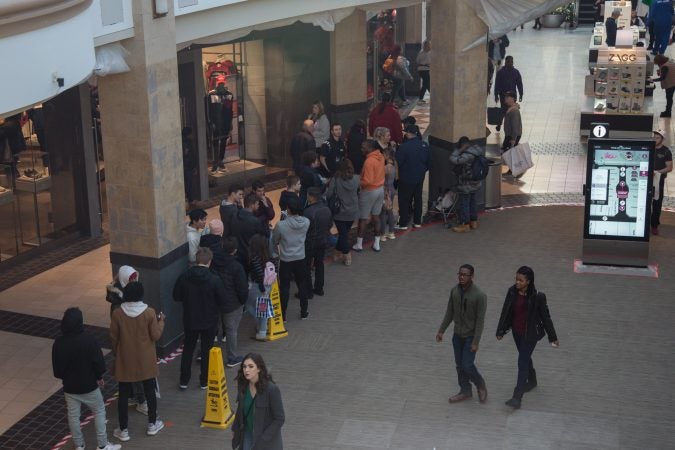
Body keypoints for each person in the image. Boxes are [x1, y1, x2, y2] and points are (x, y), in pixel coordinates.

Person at [52, 308, 121, 450]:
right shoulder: (89, 340)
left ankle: (79, 445)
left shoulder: (58, 343)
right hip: (89, 385)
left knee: (73, 416)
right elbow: (99, 363)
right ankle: (102, 445)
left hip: (70, 388)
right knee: (99, 411)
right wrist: (99, 377)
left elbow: (57, 371)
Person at [496, 266, 559, 409]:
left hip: (530, 335)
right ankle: (532, 380)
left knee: (522, 361)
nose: (517, 282)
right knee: (525, 356)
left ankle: (517, 397)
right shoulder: (512, 292)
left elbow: (546, 318)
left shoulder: (538, 297)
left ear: (528, 281)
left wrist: (553, 337)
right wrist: (501, 331)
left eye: (521, 280)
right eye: (516, 279)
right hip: (516, 332)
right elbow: (505, 311)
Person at [111, 281, 165, 441]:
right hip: (146, 359)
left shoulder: (117, 313)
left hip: (125, 359)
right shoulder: (149, 313)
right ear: (141, 294)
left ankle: (123, 430)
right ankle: (152, 424)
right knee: (150, 391)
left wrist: (117, 353)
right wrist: (161, 321)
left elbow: (113, 338)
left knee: (123, 394)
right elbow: (155, 335)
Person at [173, 247, 227, 389]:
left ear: (196, 260)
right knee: (206, 350)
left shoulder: (184, 276)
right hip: (209, 320)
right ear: (209, 261)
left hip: (190, 319)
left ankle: (184, 380)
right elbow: (223, 300)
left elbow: (176, 296)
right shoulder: (214, 279)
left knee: (188, 349)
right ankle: (204, 381)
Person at [435, 264, 488, 404]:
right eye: (460, 274)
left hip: (470, 336)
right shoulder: (454, 291)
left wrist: (476, 341)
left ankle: (480, 384)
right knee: (459, 365)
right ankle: (465, 390)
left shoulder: (479, 296)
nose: (461, 277)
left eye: (465, 275)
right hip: (457, 336)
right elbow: (449, 312)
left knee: (467, 365)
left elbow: (480, 320)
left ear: (472, 276)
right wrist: (441, 330)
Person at [105, 266, 147, 415]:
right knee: (136, 374)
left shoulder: (121, 297)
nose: (135, 281)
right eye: (132, 279)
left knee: (129, 374)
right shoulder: (119, 305)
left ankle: (131, 397)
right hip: (128, 344)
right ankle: (141, 401)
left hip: (125, 344)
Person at [231, 353, 285, 450]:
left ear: (259, 369)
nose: (246, 370)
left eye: (251, 366)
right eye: (244, 366)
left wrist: (264, 439)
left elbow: (279, 418)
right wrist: (235, 430)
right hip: (248, 436)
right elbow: (240, 410)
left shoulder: (271, 389)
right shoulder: (243, 385)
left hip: (266, 441)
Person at [272, 196, 311, 320]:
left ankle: (283, 315)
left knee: (284, 288)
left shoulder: (281, 225)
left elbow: (275, 240)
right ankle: (304, 311)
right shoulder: (306, 222)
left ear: (288, 209)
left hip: (286, 260)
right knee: (302, 284)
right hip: (300, 258)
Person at [213, 238, 249, 367]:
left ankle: (209, 354)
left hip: (216, 301)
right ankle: (232, 357)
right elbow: (242, 288)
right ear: (234, 251)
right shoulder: (236, 266)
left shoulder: (213, 261)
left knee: (214, 329)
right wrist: (242, 302)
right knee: (231, 330)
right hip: (232, 303)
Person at [353, 139, 385, 252]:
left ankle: (359, 244)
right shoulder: (381, 156)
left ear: (370, 148)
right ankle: (377, 244)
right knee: (376, 217)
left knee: (363, 218)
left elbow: (368, 181)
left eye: (363, 147)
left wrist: (358, 182)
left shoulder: (369, 161)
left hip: (369, 191)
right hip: (380, 190)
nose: (362, 149)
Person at [326, 159, 360, 266]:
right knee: (344, 233)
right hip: (353, 210)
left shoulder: (335, 179)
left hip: (340, 211)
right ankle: (337, 251)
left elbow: (329, 195)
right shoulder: (356, 178)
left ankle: (347, 253)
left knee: (343, 234)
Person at [396, 124, 429, 230]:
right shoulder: (424, 145)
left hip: (406, 178)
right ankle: (417, 221)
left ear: (409, 133)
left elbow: (398, 163)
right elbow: (428, 162)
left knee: (404, 200)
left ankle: (403, 224)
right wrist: (422, 171)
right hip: (419, 177)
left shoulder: (404, 147)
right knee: (418, 199)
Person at [449, 137, 483, 233]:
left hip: (466, 184)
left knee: (464, 203)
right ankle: (474, 222)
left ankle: (464, 224)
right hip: (476, 182)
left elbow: (453, 159)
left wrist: (459, 150)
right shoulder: (478, 150)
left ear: (463, 145)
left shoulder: (467, 155)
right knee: (472, 201)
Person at [303, 187, 333, 296]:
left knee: (306, 266)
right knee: (319, 264)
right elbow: (330, 225)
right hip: (323, 241)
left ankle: (308, 290)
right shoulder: (327, 209)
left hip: (310, 243)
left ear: (311, 197)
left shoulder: (308, 212)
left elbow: (304, 230)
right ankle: (319, 288)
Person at [246, 235, 275, 341]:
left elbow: (258, 274)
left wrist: (262, 288)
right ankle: (262, 332)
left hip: (257, 287)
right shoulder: (268, 257)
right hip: (268, 286)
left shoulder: (254, 259)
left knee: (248, 305)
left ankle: (259, 323)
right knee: (263, 309)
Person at [230, 192, 270, 266]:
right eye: (257, 204)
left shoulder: (235, 216)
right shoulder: (254, 221)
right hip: (250, 256)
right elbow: (266, 235)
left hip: (238, 253)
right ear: (252, 205)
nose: (258, 206)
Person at [651, 129, 673, 235]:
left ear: (662, 139)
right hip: (647, 179)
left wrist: (657, 172)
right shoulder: (650, 148)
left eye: (658, 137)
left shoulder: (666, 151)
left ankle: (654, 225)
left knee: (657, 203)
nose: (655, 139)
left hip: (659, 181)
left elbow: (669, 167)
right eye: (654, 136)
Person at [494, 56, 523, 131]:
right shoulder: (500, 72)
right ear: (506, 62)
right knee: (503, 110)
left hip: (513, 97)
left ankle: (510, 125)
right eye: (509, 61)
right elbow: (497, 84)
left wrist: (521, 94)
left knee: (512, 111)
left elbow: (519, 84)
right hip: (503, 96)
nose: (510, 63)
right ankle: (499, 124)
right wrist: (496, 95)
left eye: (511, 61)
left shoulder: (516, 72)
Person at [379, 148, 397, 241]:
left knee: (383, 213)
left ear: (387, 155)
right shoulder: (394, 166)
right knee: (390, 211)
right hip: (392, 189)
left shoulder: (386, 168)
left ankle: (383, 234)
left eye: (383, 154)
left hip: (386, 191)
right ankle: (391, 232)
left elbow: (381, 180)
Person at [182, 127, 196, 205]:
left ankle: (189, 199)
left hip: (187, 166)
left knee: (188, 184)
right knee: (189, 184)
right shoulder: (187, 143)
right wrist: (193, 166)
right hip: (187, 166)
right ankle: (190, 200)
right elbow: (189, 155)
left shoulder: (186, 142)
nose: (193, 135)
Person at [416, 40, 431, 104]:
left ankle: (421, 98)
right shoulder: (431, 52)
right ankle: (420, 98)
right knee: (426, 84)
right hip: (426, 69)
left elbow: (417, 61)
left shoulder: (421, 52)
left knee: (427, 84)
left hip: (420, 70)